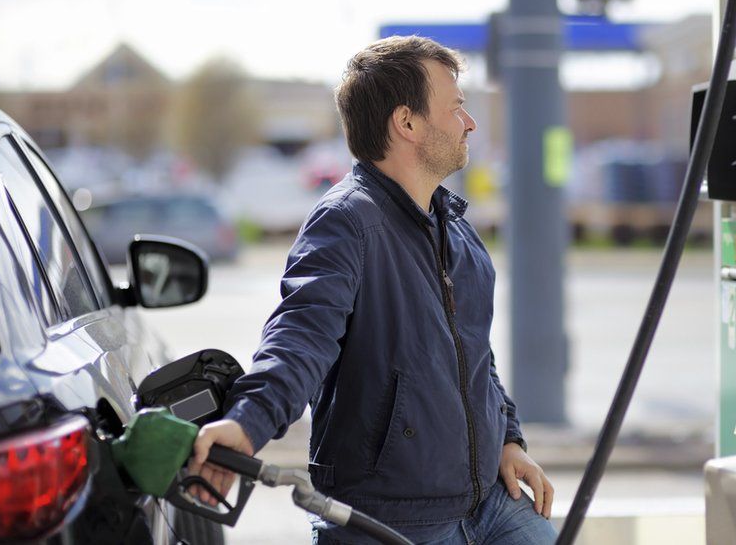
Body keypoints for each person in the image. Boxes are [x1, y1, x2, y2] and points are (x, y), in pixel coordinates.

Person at [189, 36, 557, 544]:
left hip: (490, 504)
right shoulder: (346, 223)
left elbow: (474, 353)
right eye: (456, 109)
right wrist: (246, 424)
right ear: (407, 123)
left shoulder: (454, 226)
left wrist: (508, 440)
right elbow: (300, 338)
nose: (468, 124)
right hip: (389, 521)